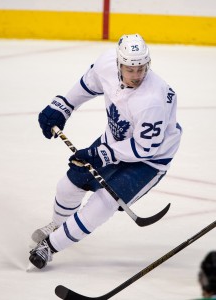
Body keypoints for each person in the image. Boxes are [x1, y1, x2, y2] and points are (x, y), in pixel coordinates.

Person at [29, 33, 182, 269]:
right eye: (130, 69)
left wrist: (98, 154)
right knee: (68, 185)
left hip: (150, 160)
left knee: (103, 202)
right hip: (114, 142)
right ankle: (58, 225)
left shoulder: (152, 100)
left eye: (142, 68)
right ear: (119, 63)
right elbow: (89, 83)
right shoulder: (107, 63)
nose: (137, 75)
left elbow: (145, 149)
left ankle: (50, 246)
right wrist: (63, 106)